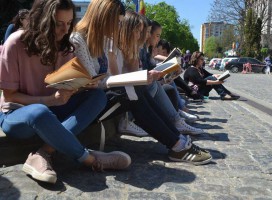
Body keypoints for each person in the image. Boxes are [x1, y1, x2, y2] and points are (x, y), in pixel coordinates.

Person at [0, 0, 131, 184]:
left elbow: (63, 86)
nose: (65, 30)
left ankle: (43, 152)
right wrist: (49, 100)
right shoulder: (15, 43)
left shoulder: (65, 46)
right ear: (42, 21)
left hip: (53, 109)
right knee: (40, 112)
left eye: (69, 23)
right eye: (58, 24)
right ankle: (90, 159)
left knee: (97, 97)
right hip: (17, 113)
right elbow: (10, 96)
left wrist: (79, 86)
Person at [70, 5, 212, 165]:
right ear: (103, 18)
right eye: (116, 23)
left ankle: (178, 139)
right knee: (133, 90)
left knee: (137, 88)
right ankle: (177, 144)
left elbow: (106, 78)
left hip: (102, 97)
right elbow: (94, 82)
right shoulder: (79, 40)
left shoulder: (102, 41)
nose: (118, 28)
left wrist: (139, 77)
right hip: (90, 103)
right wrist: (135, 77)